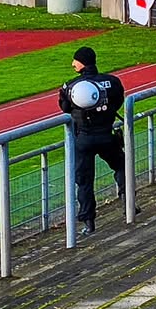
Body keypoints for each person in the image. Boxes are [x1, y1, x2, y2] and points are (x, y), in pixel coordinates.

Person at [58, 46, 126, 235]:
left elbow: (64, 107)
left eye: (75, 60)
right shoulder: (112, 81)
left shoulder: (70, 86)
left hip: (84, 139)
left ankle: (89, 223)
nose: (73, 64)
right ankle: (127, 200)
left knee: (84, 181)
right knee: (121, 165)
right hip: (106, 136)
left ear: (82, 63)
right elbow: (118, 101)